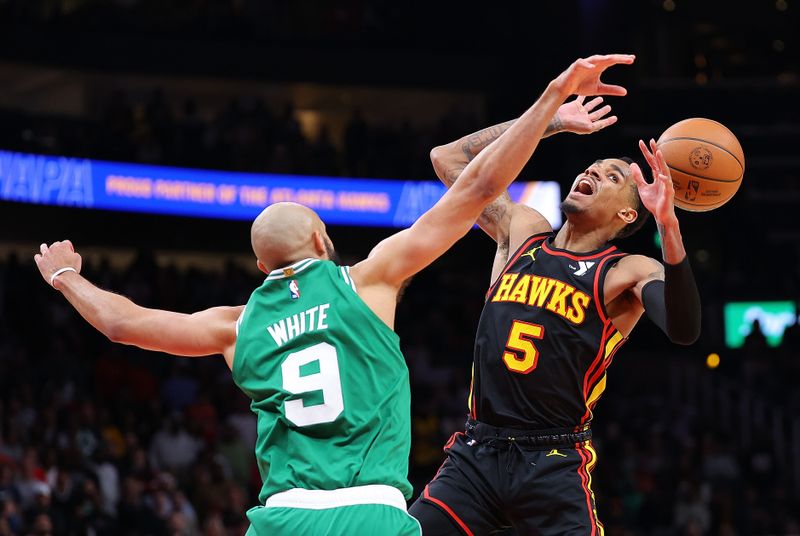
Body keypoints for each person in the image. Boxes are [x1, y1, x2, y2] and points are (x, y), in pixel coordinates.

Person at [33, 54, 636, 536]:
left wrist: (67, 276)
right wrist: (551, 100)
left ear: (259, 263)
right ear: (324, 239)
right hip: (371, 513)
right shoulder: (368, 280)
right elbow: (477, 180)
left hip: (280, 518)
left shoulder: (235, 325)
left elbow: (124, 324)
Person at [409, 63, 702, 534]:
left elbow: (685, 330)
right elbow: (447, 159)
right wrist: (553, 120)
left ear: (630, 210)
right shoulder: (521, 229)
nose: (592, 171)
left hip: (552, 462)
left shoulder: (625, 271)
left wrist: (669, 226)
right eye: (592, 167)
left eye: (610, 177)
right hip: (475, 454)